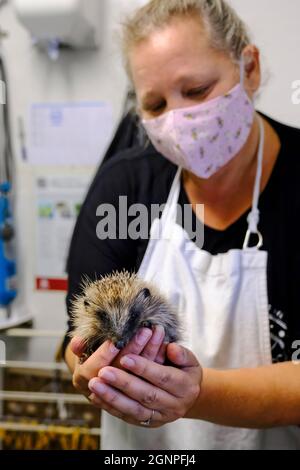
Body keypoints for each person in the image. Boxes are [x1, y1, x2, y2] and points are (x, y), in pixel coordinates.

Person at [62, 0, 300, 450]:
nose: (179, 119)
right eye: (155, 104)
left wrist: (193, 393)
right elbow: (74, 340)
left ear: (248, 68)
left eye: (196, 90)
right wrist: (88, 368)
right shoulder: (124, 185)